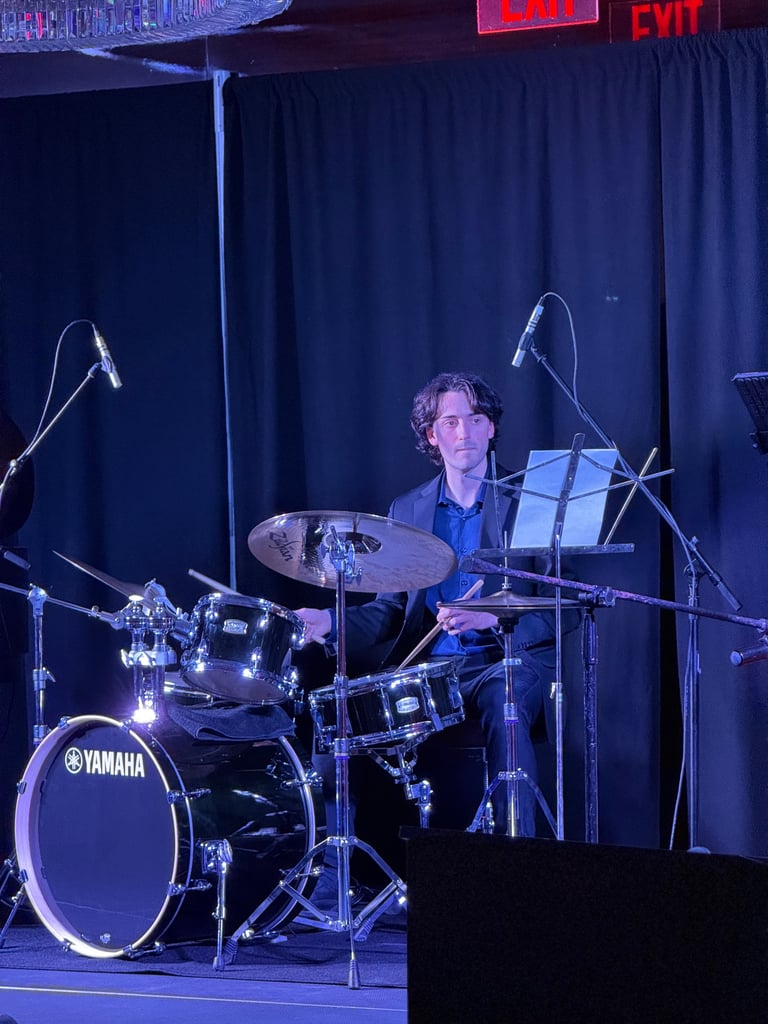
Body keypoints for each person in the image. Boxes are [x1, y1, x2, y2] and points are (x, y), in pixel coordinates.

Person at [297, 370, 578, 843]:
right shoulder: (408, 510)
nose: (464, 432)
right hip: (433, 672)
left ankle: (518, 860)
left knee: (505, 701)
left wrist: (495, 616)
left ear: (491, 427)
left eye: (476, 418)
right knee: (339, 713)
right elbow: (390, 612)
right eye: (450, 422)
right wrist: (329, 622)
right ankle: (336, 867)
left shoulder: (531, 498)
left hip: (506, 662)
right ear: (431, 435)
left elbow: (565, 601)